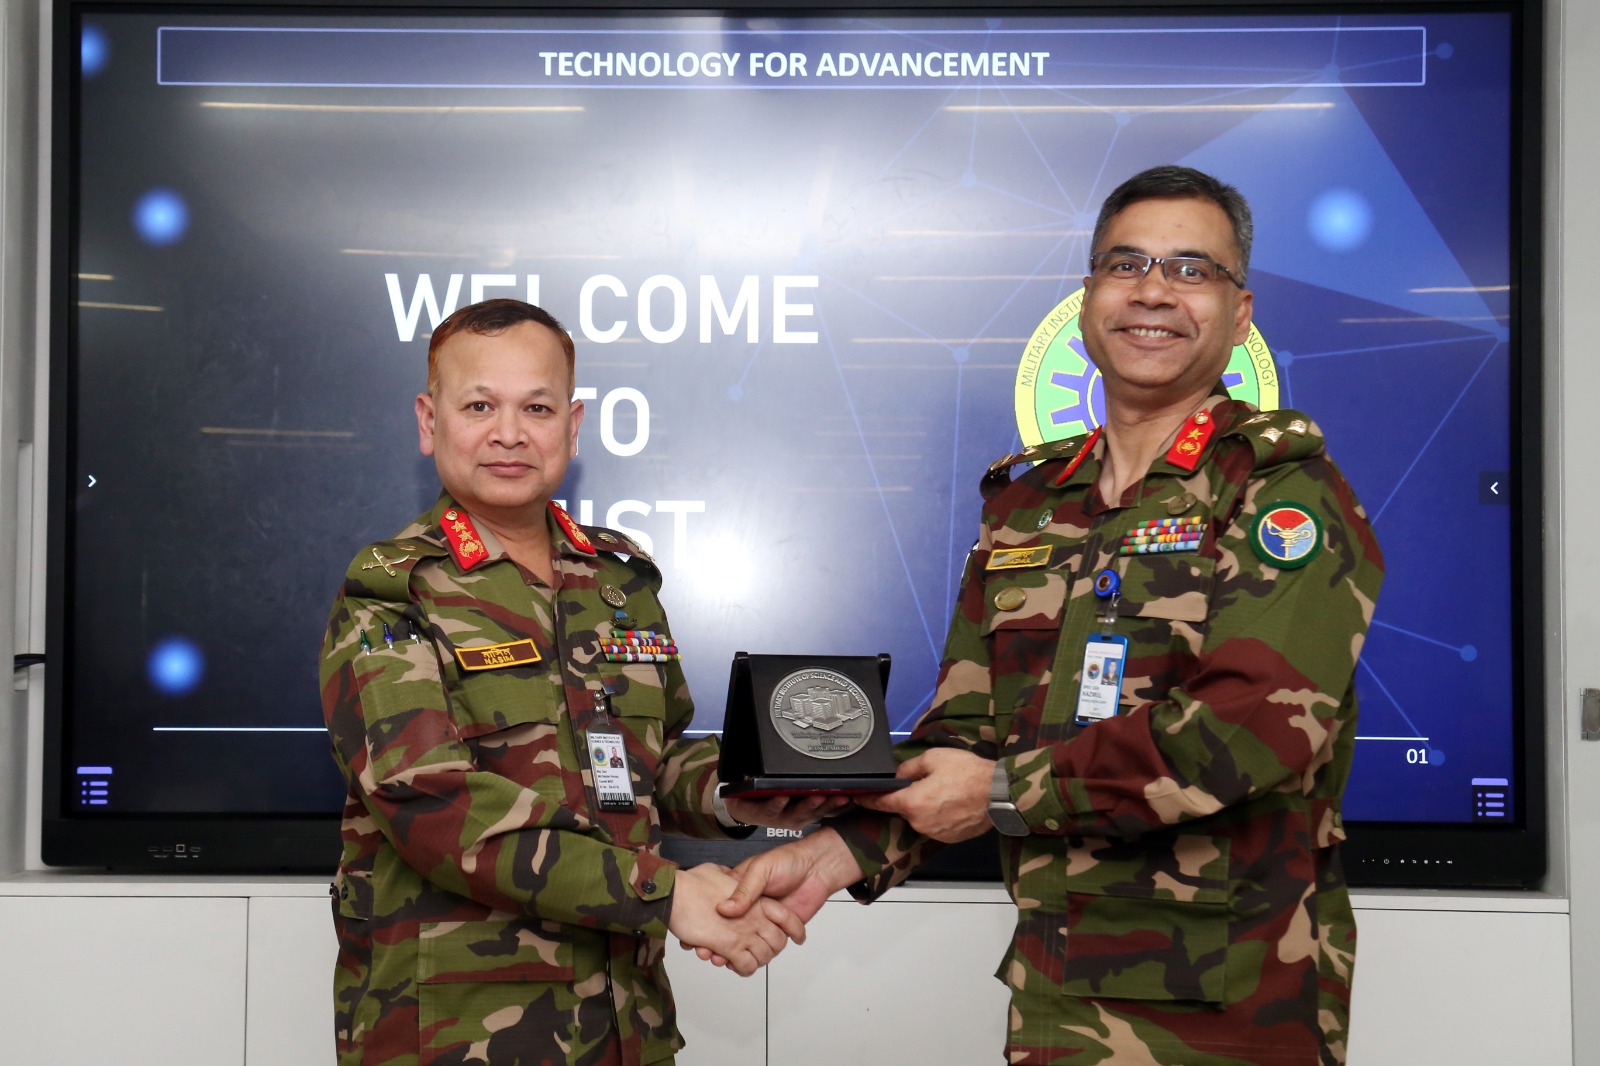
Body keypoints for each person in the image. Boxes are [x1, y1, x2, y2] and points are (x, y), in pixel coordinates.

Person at [717, 166, 1386, 1066]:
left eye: (1192, 270)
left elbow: (1248, 733)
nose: (1154, 290)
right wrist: (838, 853)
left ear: (1241, 314)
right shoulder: (1028, 505)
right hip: (1056, 992)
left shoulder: (1282, 494)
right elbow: (967, 736)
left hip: (1229, 1007)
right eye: (1126, 264)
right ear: (1088, 298)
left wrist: (1003, 794)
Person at [318, 298, 829, 1066]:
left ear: (573, 424)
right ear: (429, 422)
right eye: (479, 406)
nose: (509, 433)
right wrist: (667, 894)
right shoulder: (390, 596)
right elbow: (432, 804)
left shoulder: (620, 583)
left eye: (537, 407)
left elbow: (648, 768)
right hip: (455, 1033)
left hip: (624, 1024)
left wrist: (738, 792)